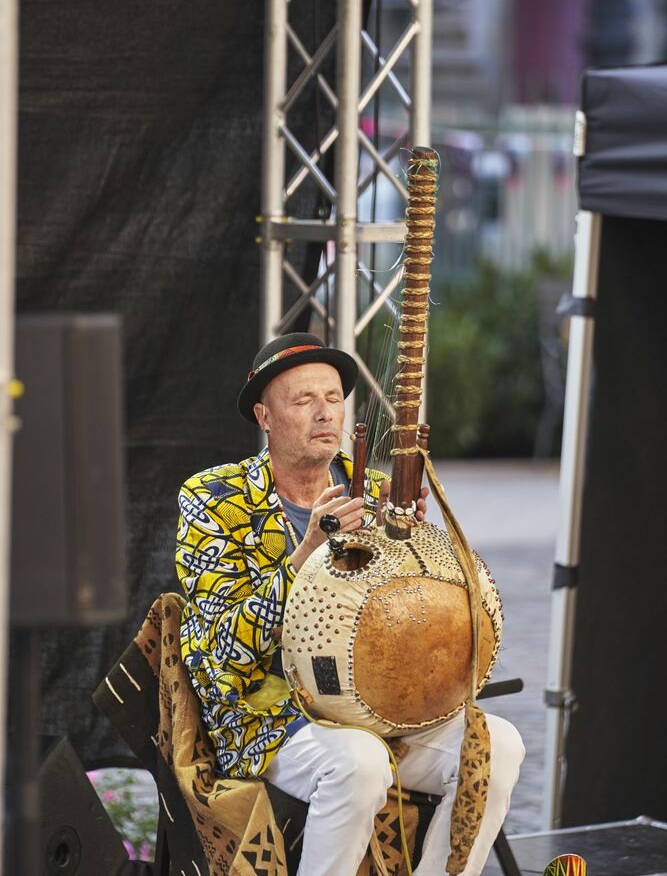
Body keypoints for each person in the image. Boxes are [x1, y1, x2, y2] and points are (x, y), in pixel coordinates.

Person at [176, 332, 525, 876]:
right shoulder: (213, 498)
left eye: (334, 398)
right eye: (303, 401)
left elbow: (407, 620)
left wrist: (416, 553)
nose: (324, 414)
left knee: (499, 745)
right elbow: (223, 650)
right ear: (265, 417)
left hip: (377, 702)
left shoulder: (376, 489)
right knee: (358, 763)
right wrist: (305, 554)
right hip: (271, 714)